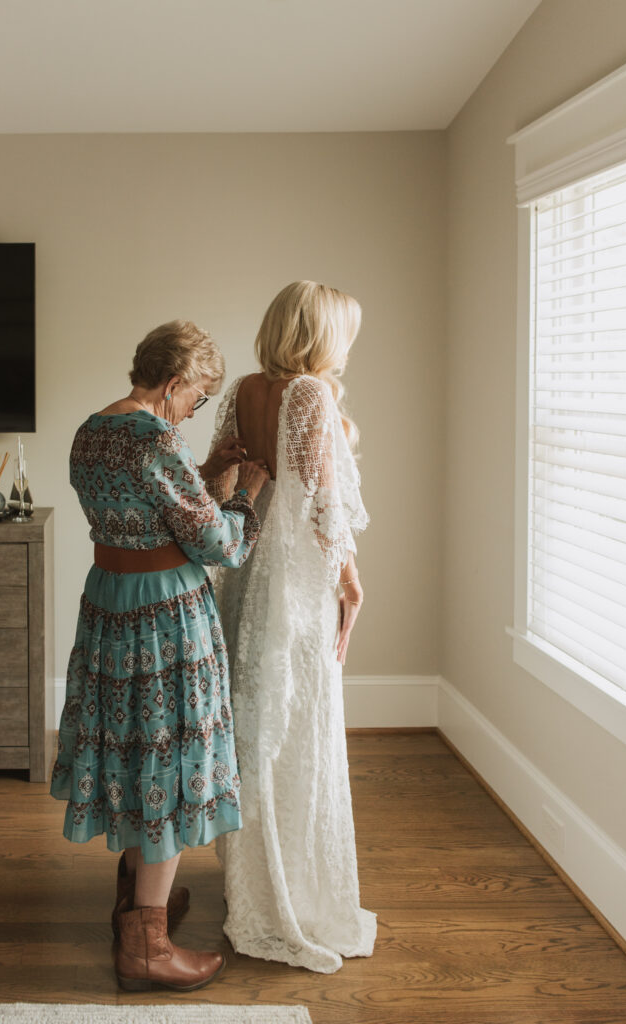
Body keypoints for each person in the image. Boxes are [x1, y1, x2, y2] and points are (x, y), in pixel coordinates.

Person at [50, 319, 269, 992]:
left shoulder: (91, 432)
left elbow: (141, 510)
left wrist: (204, 471)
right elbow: (220, 546)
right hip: (164, 614)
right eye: (197, 397)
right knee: (170, 755)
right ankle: (145, 943)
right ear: (173, 384)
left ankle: (137, 898)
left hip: (110, 602)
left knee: (133, 742)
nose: (195, 410)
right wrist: (246, 494)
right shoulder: (157, 440)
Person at [207, 281, 377, 973]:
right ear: (320, 333)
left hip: (250, 566)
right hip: (295, 580)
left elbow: (222, 473)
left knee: (255, 721)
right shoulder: (311, 393)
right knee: (297, 719)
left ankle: (251, 875)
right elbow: (320, 501)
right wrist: (348, 577)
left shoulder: (246, 389)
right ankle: (291, 892)